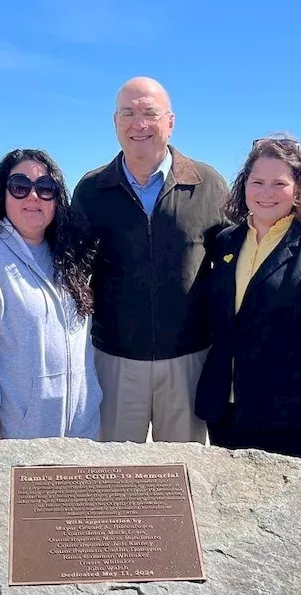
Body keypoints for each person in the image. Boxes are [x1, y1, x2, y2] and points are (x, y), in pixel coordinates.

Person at [72, 76, 227, 443]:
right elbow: (71, 270)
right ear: (115, 123)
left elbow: (233, 266)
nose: (138, 124)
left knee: (182, 477)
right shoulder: (91, 191)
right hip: (114, 360)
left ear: (170, 122)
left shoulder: (209, 184)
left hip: (188, 358)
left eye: (148, 113)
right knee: (114, 480)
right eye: (127, 113)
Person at [195, 136, 301, 463]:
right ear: (244, 185)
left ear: (298, 188)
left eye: (279, 183)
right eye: (257, 181)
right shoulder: (227, 241)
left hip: (291, 414)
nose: (266, 192)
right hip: (227, 410)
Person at [0, 149, 100, 441]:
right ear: (1, 194)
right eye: (20, 187)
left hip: (81, 430)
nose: (33, 196)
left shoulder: (67, 256)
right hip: (16, 436)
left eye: (45, 189)